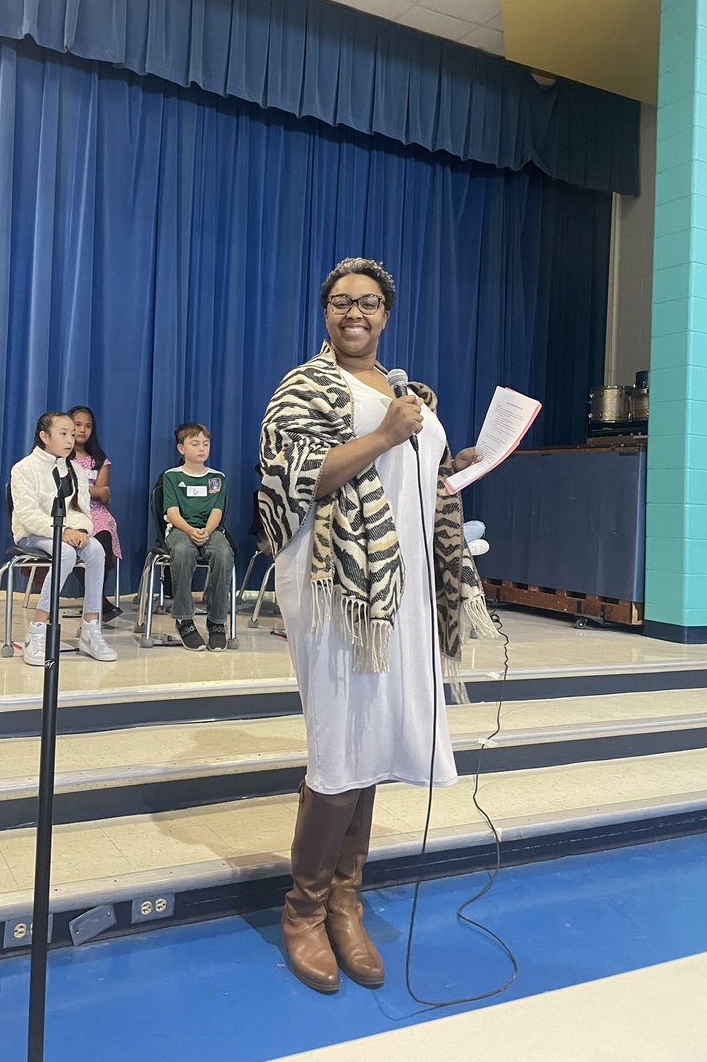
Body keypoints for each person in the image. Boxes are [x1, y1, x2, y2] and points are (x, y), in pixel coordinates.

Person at [258, 257, 496, 994]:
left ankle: (345, 899)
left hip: (406, 590)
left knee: (376, 736)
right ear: (325, 312)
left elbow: (411, 488)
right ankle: (303, 910)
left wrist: (449, 466)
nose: (353, 312)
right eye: (339, 301)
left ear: (387, 313)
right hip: (337, 590)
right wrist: (392, 436)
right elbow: (293, 479)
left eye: (367, 302)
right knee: (339, 743)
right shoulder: (306, 386)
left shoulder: (407, 393)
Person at [10, 411, 117, 667]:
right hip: (34, 534)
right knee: (66, 553)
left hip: (68, 532)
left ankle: (91, 628)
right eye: (63, 433)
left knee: (97, 550)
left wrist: (79, 531)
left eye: (72, 434)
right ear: (44, 436)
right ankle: (38, 628)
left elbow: (82, 511)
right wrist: (61, 532)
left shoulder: (76, 471)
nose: (71, 439)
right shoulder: (24, 469)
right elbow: (27, 515)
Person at [162, 423, 234, 652]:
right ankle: (184, 619)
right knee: (183, 552)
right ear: (181, 449)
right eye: (195, 444)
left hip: (210, 530)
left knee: (222, 553)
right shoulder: (171, 477)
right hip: (180, 529)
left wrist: (206, 530)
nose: (201, 448)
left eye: (205, 443)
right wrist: (191, 531)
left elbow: (217, 511)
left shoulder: (217, 478)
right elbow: (172, 513)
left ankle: (217, 620)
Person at [68, 405, 123, 623]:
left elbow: (104, 493)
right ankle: (99, 603)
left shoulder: (100, 460)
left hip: (97, 513)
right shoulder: (61, 457)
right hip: (72, 510)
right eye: (77, 425)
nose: (82, 430)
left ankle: (96, 600)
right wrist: (91, 490)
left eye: (87, 426)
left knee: (104, 542)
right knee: (82, 545)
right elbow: (66, 490)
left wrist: (86, 489)